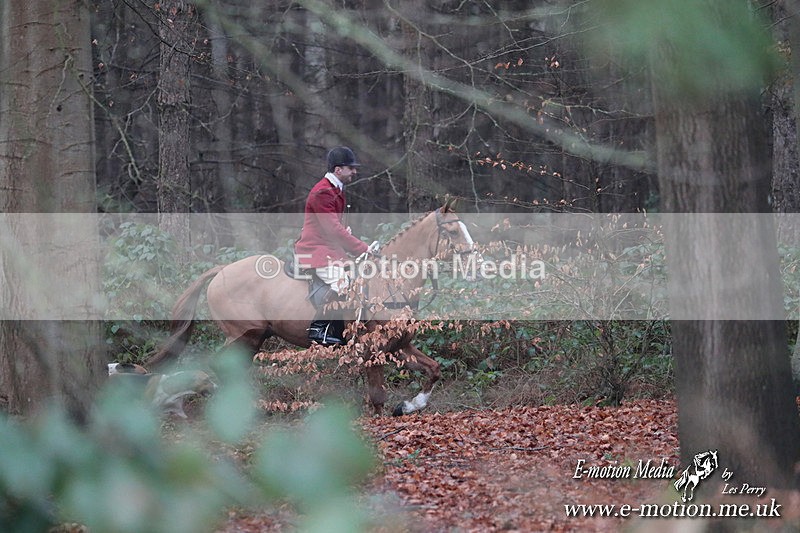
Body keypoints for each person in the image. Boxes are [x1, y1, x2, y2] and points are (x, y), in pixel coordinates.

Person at [294, 146, 374, 345]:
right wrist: (364, 248)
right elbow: (332, 230)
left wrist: (346, 234)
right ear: (338, 170)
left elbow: (334, 227)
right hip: (316, 250)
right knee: (344, 284)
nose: (354, 172)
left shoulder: (335, 189)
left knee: (359, 279)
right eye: (351, 168)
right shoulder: (322, 192)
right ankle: (319, 328)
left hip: (329, 249)